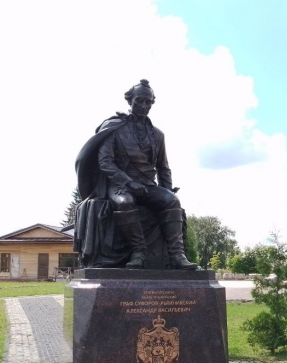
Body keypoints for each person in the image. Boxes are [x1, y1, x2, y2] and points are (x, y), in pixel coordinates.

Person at [75, 79, 197, 270]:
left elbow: (163, 167)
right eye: (140, 100)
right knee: (125, 202)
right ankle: (139, 252)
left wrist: (168, 190)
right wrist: (129, 183)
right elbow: (105, 161)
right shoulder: (115, 128)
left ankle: (177, 255)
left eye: (148, 102)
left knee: (172, 201)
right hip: (120, 185)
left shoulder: (158, 135)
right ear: (129, 100)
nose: (144, 105)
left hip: (148, 185)